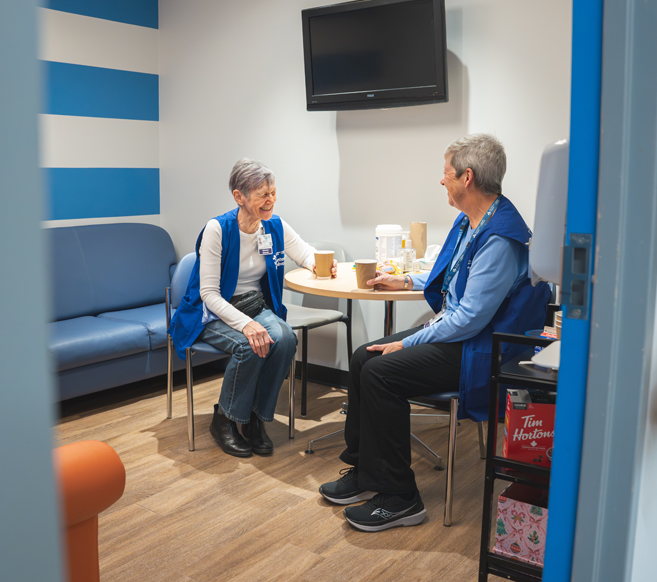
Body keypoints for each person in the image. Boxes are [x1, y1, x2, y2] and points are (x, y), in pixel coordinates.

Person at [318, 133, 551, 532]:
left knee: (380, 372)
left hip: (480, 350)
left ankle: (400, 498)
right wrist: (407, 281)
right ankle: (365, 471)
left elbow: (470, 318)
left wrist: (407, 341)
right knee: (362, 357)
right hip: (462, 337)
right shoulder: (473, 221)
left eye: (446, 173)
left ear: (467, 177)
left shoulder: (500, 238)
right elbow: (453, 274)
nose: (441, 180)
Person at [169, 158, 337, 458]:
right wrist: (246, 325)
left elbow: (305, 253)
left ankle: (256, 419)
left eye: (273, 193)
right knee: (248, 345)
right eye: (262, 195)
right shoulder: (218, 229)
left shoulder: (274, 225)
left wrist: (321, 264)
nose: (270, 200)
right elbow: (209, 294)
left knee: (285, 338)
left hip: (254, 305)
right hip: (211, 313)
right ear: (239, 197)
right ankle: (225, 420)